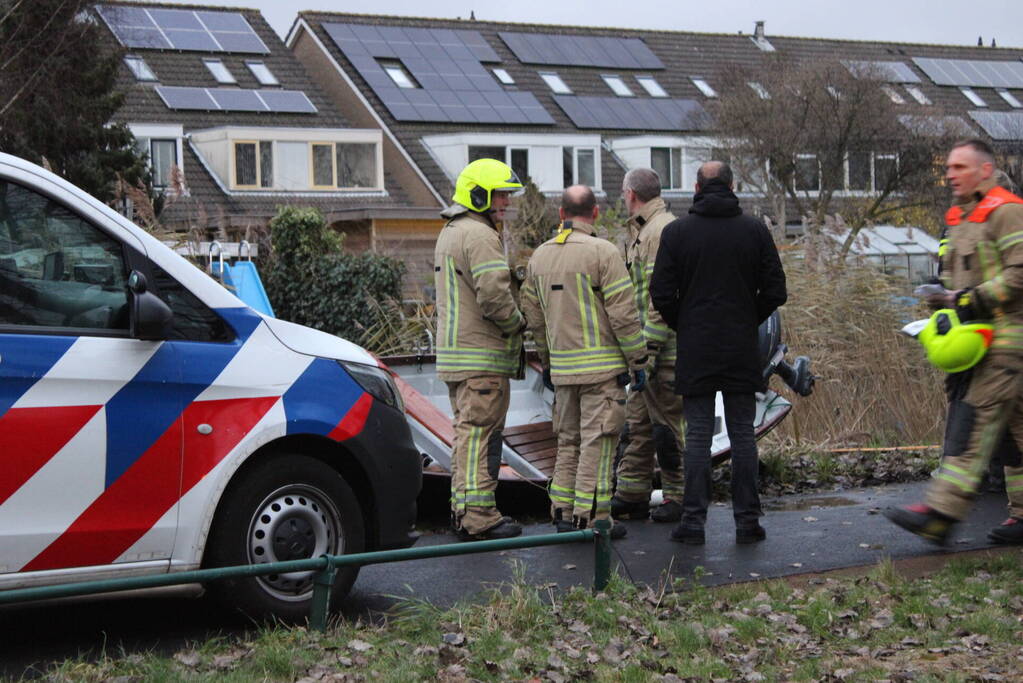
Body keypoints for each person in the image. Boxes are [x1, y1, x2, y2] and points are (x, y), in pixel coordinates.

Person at [887, 140, 1023, 545]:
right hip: (981, 340)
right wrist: (944, 298)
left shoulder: (1007, 211)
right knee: (1017, 433)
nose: (950, 174)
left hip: (1006, 341)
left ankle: (942, 513)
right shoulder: (962, 217)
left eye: (960, 166)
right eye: (948, 167)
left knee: (975, 422)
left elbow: (1019, 274)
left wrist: (965, 299)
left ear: (985, 170)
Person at [649, 161, 787, 545]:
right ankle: (747, 522)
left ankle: (693, 523)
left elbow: (660, 293)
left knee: (696, 437)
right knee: (743, 434)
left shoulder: (677, 233)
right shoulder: (754, 231)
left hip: (696, 347)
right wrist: (747, 317)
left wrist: (686, 324)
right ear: (733, 185)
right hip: (741, 346)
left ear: (696, 187)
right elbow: (776, 291)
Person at [521, 185, 648, 538]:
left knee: (568, 442)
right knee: (599, 441)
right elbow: (625, 316)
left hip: (562, 371)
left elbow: (533, 317)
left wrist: (548, 362)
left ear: (561, 214)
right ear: (594, 214)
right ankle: (592, 518)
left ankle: (562, 511)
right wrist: (638, 362)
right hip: (602, 371)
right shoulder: (603, 253)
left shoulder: (539, 258)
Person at [434, 158, 526, 541]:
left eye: (506, 194)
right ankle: (479, 517)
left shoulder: (451, 232)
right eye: (499, 194)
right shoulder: (481, 235)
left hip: (456, 355)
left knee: (466, 436)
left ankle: (463, 510)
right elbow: (494, 296)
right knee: (481, 436)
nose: (505, 201)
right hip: (482, 356)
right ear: (478, 194)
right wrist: (519, 324)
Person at [610, 168, 686, 523]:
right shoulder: (645, 229)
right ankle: (632, 493)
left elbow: (661, 298)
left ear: (630, 194)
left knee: (667, 428)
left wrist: (649, 353)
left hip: (662, 354)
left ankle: (677, 495)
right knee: (636, 425)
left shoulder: (659, 231)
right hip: (645, 353)